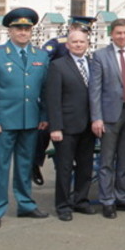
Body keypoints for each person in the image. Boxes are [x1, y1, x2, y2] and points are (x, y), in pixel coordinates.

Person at [0, 8, 50, 230]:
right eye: (18, 28)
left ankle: (25, 204)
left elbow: (45, 90)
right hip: (3, 122)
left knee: (25, 165)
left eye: (27, 28)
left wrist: (44, 115)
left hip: (31, 121)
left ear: (31, 31)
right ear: (9, 30)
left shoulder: (41, 56)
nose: (23, 32)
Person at [88, 18, 125, 218]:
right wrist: (96, 118)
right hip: (109, 115)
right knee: (107, 160)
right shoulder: (100, 56)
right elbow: (94, 90)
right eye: (118, 33)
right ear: (112, 34)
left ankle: (122, 197)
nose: (122, 36)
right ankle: (107, 200)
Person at [45, 29, 97, 221]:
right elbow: (53, 99)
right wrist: (55, 127)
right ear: (67, 45)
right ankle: (63, 205)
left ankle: (81, 200)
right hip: (66, 127)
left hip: (88, 126)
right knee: (65, 168)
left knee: (86, 166)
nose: (78, 45)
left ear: (87, 44)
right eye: (74, 42)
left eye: (82, 42)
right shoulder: (58, 66)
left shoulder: (92, 64)